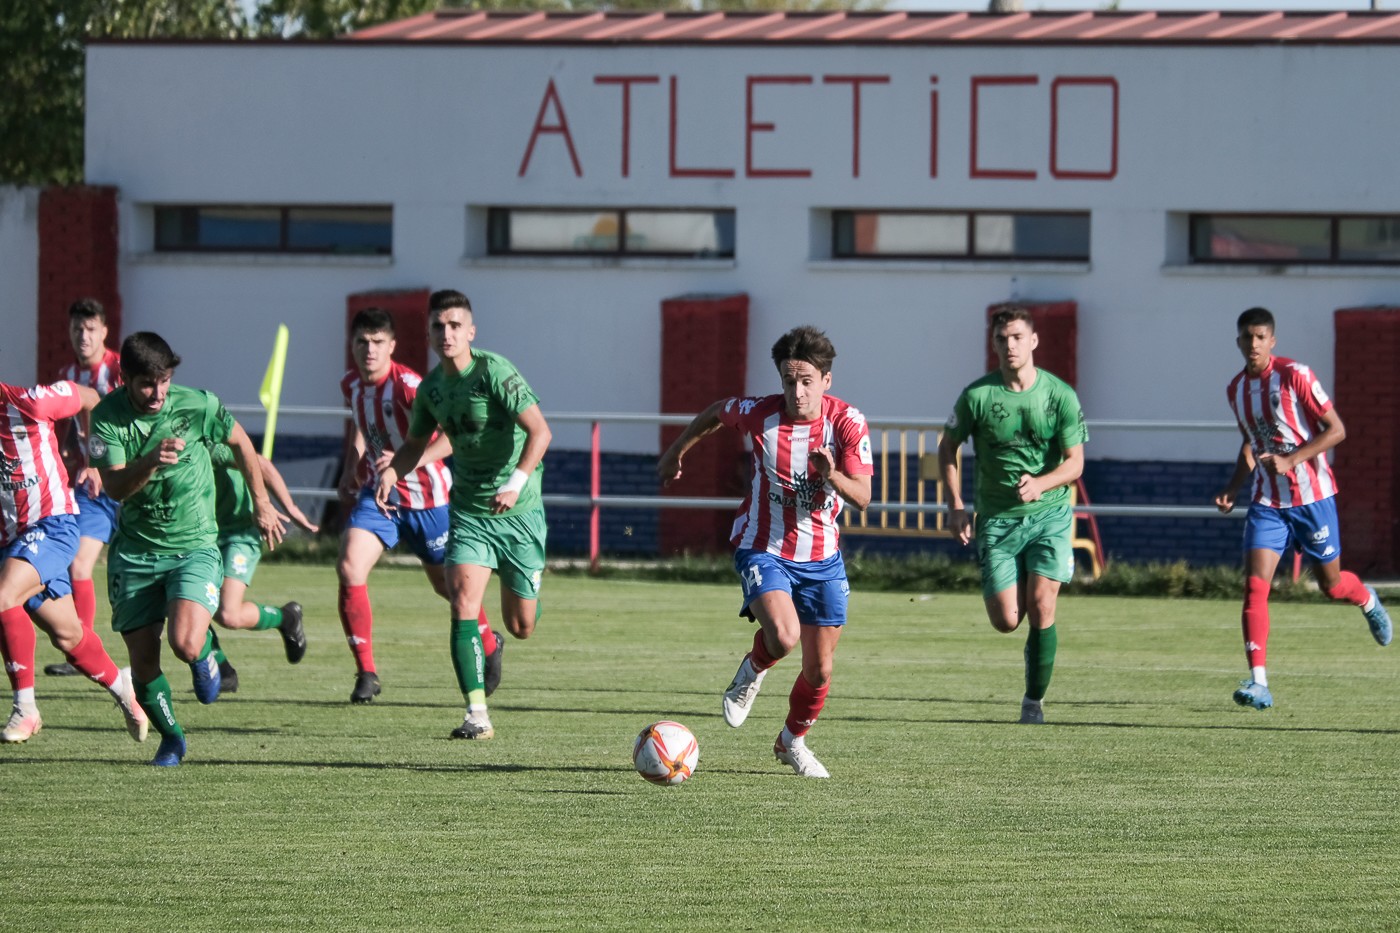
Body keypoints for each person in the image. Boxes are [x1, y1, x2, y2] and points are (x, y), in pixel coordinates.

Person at [658, 325, 873, 779]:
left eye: (807, 381)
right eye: (789, 381)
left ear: (826, 380)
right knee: (784, 635)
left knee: (819, 669)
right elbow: (717, 412)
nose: (797, 391)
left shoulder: (847, 422)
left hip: (823, 559)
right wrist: (678, 450)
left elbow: (863, 496)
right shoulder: (759, 414)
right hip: (763, 548)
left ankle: (791, 740)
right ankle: (753, 669)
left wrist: (831, 475)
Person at [90, 332, 282, 766]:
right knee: (142, 663)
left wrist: (262, 504)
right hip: (135, 553)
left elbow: (241, 443)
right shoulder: (105, 418)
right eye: (146, 384)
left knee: (185, 643)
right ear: (124, 379)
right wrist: (151, 460)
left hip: (193, 545)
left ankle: (206, 651)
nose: (158, 393)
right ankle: (173, 739)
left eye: (165, 381)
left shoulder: (198, 404)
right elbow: (116, 487)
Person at [377, 290, 551, 740]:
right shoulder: (432, 389)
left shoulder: (494, 371)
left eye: (455, 325)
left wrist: (514, 484)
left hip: (519, 510)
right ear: (430, 333)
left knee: (522, 624)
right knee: (461, 607)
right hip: (470, 512)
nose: (447, 333)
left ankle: (502, 638)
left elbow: (540, 431)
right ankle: (477, 714)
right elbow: (416, 443)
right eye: (439, 326)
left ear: (470, 331)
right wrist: (392, 472)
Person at [1213, 307, 1391, 710]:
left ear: (1272, 340)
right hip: (1267, 501)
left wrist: (1293, 460)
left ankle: (1366, 600)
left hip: (1312, 498)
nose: (1253, 344)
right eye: (1246, 337)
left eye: (1261, 337)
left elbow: (1338, 429)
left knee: (1332, 586)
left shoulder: (1296, 375)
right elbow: (1250, 444)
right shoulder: (1235, 390)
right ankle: (1259, 682)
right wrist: (1232, 488)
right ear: (1238, 342)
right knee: (1255, 585)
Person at [337, 306, 502, 705]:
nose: (369, 350)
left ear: (392, 346)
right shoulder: (351, 384)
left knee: (447, 588)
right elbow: (363, 423)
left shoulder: (410, 386)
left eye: (378, 342)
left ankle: (489, 642)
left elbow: (450, 438)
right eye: (362, 342)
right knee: (349, 565)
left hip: (430, 500)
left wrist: (406, 461)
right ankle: (366, 672)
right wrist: (350, 466)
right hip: (381, 497)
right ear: (353, 346)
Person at [937, 306, 1088, 725]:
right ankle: (1020, 603)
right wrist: (955, 506)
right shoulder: (977, 396)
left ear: (1033, 341)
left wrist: (1042, 483)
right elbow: (947, 447)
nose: (1010, 346)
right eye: (1002, 339)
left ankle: (1033, 701)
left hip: (1050, 515)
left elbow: (1076, 463)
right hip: (998, 520)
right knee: (1006, 620)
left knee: (1042, 605)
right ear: (994, 344)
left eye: (1018, 337)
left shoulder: (1060, 395)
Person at [0, 375, 147, 745]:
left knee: (3, 598)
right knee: (68, 635)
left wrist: (95, 460)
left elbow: (90, 398)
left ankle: (26, 708)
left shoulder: (29, 403)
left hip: (53, 526)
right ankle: (123, 688)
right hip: (12, 541)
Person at [45, 298, 123, 677]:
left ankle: (212, 656)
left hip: (134, 484)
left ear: (105, 332)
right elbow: (62, 427)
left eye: (91, 328)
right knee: (78, 563)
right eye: (78, 328)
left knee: (164, 577)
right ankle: (84, 648)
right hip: (95, 492)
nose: (84, 336)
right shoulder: (66, 374)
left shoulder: (121, 370)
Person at [205, 440, 315, 692]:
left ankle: (286, 618)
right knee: (182, 602)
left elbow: (260, 464)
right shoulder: (155, 443)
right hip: (199, 536)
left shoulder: (205, 443)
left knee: (228, 614)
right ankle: (223, 671)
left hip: (238, 532)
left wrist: (290, 508)